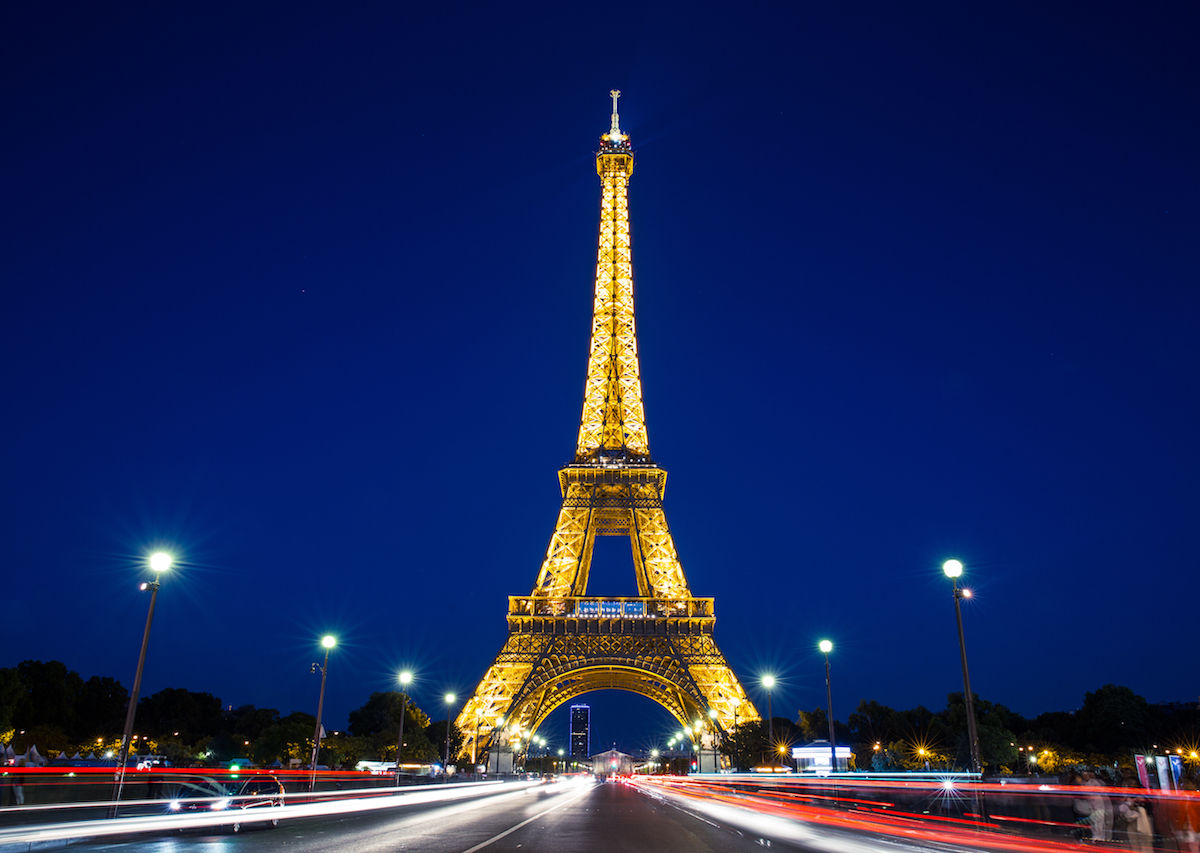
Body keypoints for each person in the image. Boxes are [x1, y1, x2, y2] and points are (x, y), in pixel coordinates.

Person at [1116, 777, 1154, 852]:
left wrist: (1136, 807)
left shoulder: (1142, 794)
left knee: (1144, 842)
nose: (1130, 785)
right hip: (1130, 822)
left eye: (1132, 783)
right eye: (1129, 783)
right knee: (1134, 842)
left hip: (1142, 821)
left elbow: (1148, 806)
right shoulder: (1127, 796)